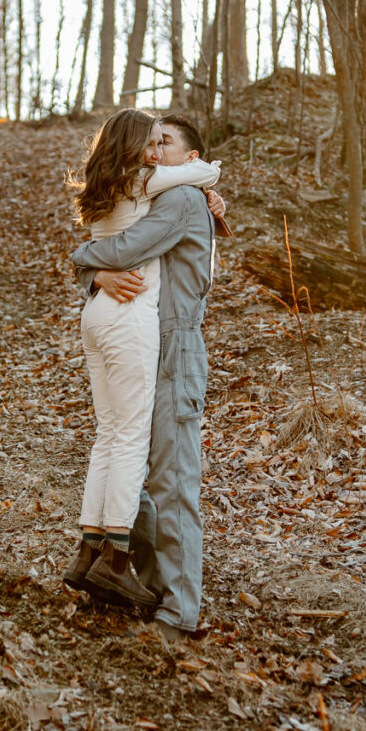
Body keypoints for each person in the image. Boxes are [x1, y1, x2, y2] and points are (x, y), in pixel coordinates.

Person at [72, 114, 225, 641]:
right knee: (132, 465)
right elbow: (120, 238)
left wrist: (83, 262)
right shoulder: (161, 194)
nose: (154, 150)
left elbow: (124, 248)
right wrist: (96, 276)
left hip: (174, 346)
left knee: (171, 480)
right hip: (142, 339)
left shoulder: (182, 200)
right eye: (151, 141)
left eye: (166, 142)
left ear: (191, 158)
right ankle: (143, 584)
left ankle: (179, 609)